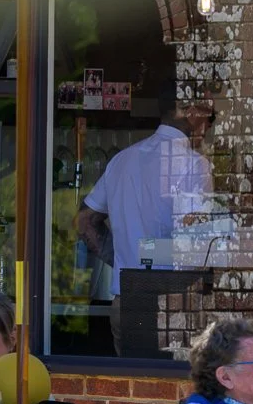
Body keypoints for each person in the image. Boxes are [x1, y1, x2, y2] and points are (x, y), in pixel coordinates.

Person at [76, 99, 216, 299]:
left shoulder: (121, 160)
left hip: (124, 299)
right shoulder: (195, 165)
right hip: (170, 300)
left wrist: (124, 257)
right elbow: (195, 243)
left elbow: (84, 221)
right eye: (208, 117)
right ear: (191, 113)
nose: (207, 129)